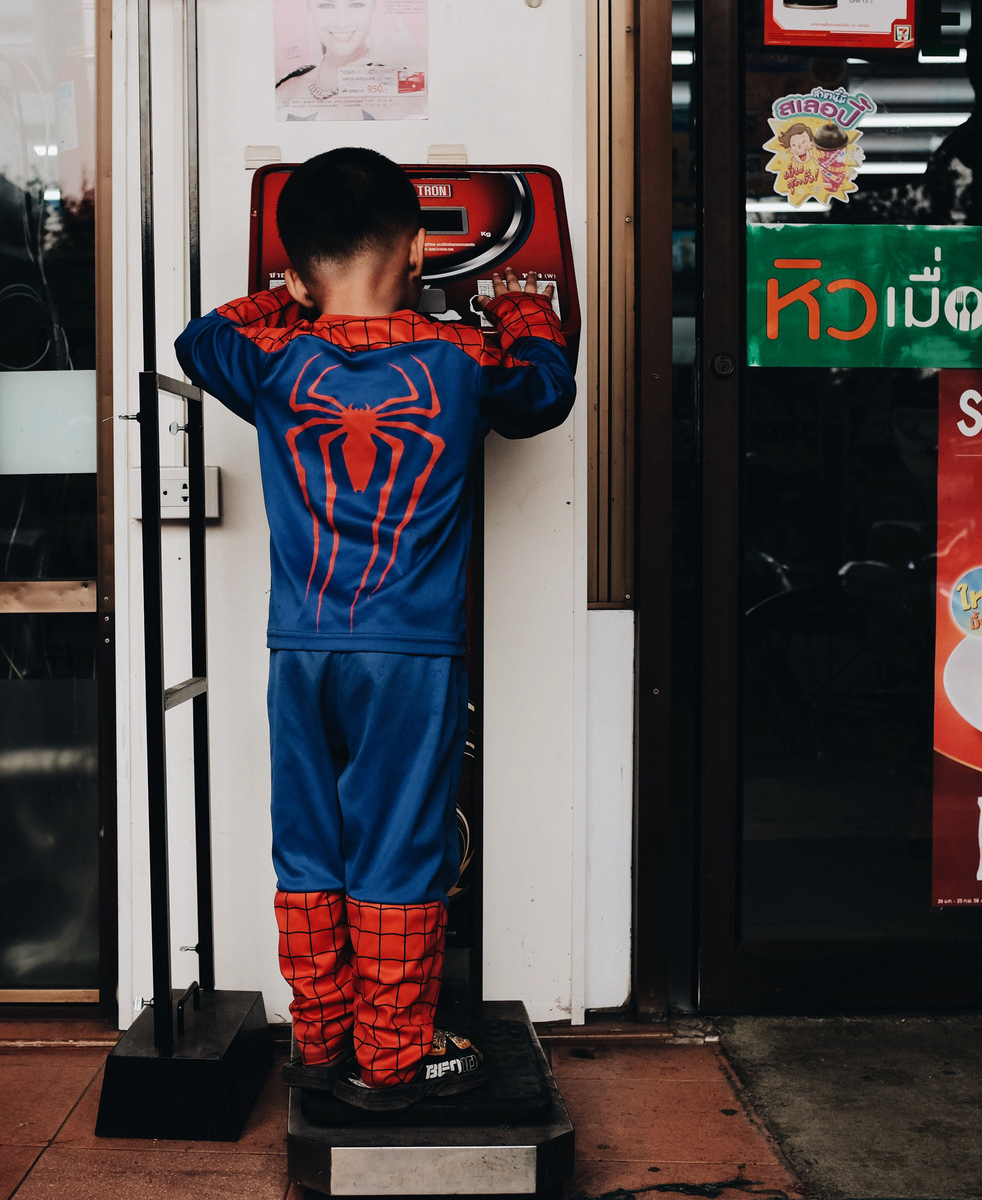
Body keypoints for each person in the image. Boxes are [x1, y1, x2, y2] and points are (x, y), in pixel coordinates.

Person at [174, 148, 575, 1110]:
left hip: (300, 649)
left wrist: (298, 297)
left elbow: (200, 339)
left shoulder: (274, 356)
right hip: (410, 655)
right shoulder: (466, 359)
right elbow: (545, 387)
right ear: (424, 248)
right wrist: (516, 302)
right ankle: (393, 1060)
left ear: (301, 267)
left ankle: (320, 1044)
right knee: (399, 849)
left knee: (309, 849)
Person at [276, 0, 423, 121]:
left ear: (373, 8)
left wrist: (417, 66)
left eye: (356, 5)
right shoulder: (285, 90)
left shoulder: (404, 81)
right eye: (327, 5)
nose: (341, 23)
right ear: (310, 10)